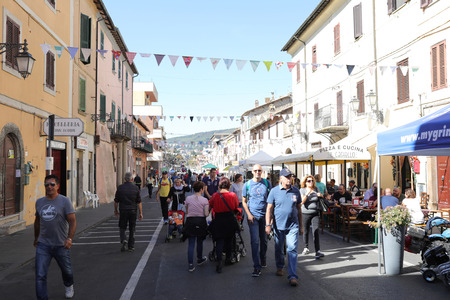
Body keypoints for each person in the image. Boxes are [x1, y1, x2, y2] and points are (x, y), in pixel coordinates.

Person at [34, 174, 77, 299]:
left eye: (52, 184)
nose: (49, 187)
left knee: (67, 271)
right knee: (40, 275)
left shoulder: (65, 201)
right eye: (47, 184)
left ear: (57, 186)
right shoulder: (39, 202)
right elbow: (37, 221)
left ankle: (69, 285)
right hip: (43, 244)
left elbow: (73, 221)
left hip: (61, 244)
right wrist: (36, 238)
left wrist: (69, 239)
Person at [265, 168, 301, 287]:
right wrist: (268, 224)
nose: (289, 179)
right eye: (287, 176)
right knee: (279, 248)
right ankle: (280, 266)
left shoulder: (296, 191)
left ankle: (292, 276)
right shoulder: (274, 191)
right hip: (278, 226)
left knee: (292, 249)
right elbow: (269, 209)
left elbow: (299, 209)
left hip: (293, 225)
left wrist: (301, 226)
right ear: (281, 178)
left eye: (290, 176)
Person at [242, 164, 272, 277]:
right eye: (255, 170)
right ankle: (256, 266)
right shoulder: (247, 185)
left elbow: (270, 200)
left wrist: (271, 217)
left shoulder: (267, 183)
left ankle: (263, 258)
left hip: (265, 216)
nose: (257, 172)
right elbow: (244, 201)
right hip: (253, 217)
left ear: (262, 171)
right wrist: (248, 214)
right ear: (252, 172)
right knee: (255, 241)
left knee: (264, 240)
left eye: (259, 170)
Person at [209, 177, 239, 273]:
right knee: (229, 240)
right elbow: (235, 206)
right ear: (229, 185)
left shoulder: (215, 195)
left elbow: (210, 205)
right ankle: (228, 259)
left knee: (219, 241)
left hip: (218, 220)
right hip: (229, 219)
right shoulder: (233, 195)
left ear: (219, 185)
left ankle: (219, 262)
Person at [114, 172, 143, 252]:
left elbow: (116, 201)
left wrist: (116, 210)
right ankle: (131, 246)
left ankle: (123, 240)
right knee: (132, 228)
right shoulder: (136, 188)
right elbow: (139, 202)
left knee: (122, 227)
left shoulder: (120, 188)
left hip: (123, 210)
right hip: (133, 210)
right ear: (132, 179)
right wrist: (140, 213)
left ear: (124, 179)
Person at [184, 181, 209, 272]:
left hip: (190, 221)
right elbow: (206, 214)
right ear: (201, 189)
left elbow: (187, 211)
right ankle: (199, 259)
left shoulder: (188, 198)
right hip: (200, 221)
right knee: (199, 241)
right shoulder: (205, 200)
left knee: (191, 243)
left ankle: (190, 264)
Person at [300, 175, 324, 259]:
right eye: (309, 181)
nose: (311, 182)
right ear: (305, 182)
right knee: (306, 231)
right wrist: (307, 194)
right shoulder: (302, 190)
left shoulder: (316, 189)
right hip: (305, 212)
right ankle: (306, 247)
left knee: (316, 231)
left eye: (312, 181)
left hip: (315, 212)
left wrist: (320, 195)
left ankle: (317, 251)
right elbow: (302, 202)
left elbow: (321, 198)